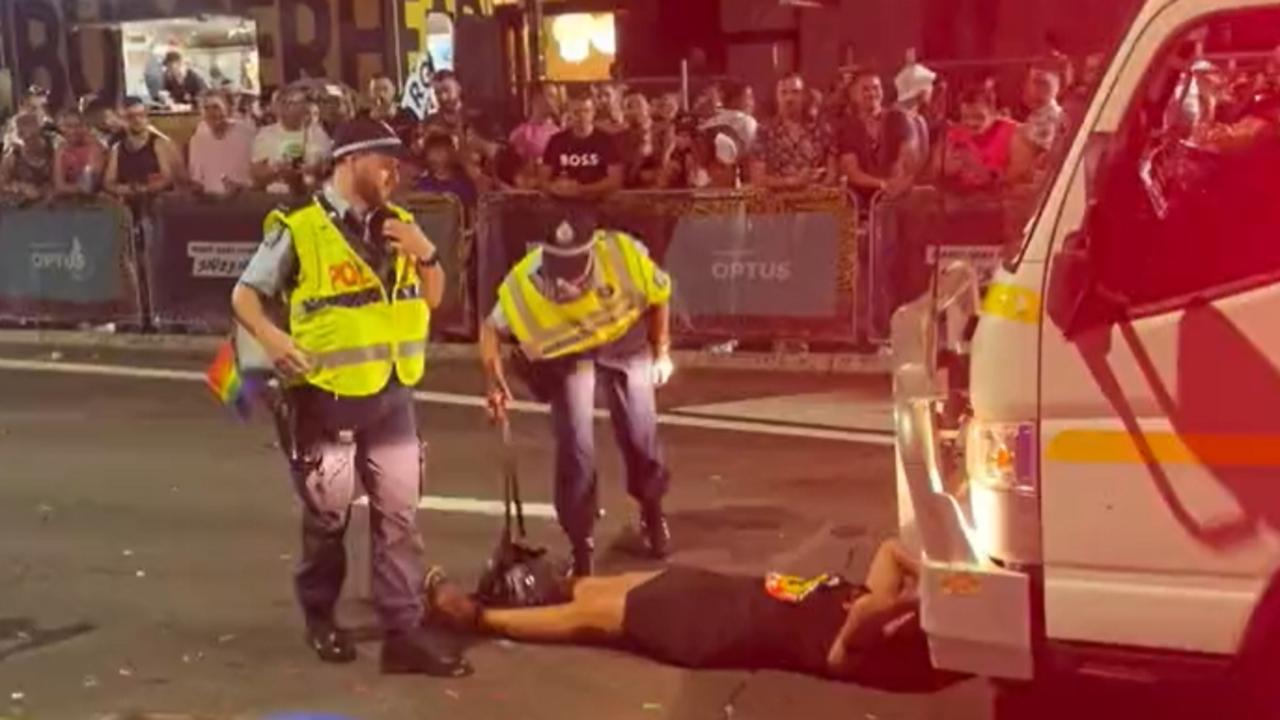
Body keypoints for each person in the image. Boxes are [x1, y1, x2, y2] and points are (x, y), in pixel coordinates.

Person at [230, 118, 468, 678]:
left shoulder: (402, 224)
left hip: (392, 390)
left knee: (399, 519)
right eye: (383, 161)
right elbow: (245, 294)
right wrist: (274, 339)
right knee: (328, 521)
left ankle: (403, 632)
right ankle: (320, 617)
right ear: (348, 161)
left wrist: (426, 252)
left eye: (398, 164)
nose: (395, 173)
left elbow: (434, 298)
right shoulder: (300, 227)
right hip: (326, 397)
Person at [424, 538, 942, 689]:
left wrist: (909, 606)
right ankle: (524, 590)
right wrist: (939, 580)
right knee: (609, 587)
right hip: (726, 594)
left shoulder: (866, 649)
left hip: (715, 629)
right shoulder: (877, 605)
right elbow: (892, 550)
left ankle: (478, 618)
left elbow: (856, 632)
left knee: (594, 616)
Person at [479, 202, 675, 577]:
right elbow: (490, 329)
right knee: (575, 448)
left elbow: (659, 293)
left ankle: (653, 516)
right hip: (569, 356)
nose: (566, 281)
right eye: (558, 269)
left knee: (640, 433)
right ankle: (581, 545)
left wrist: (661, 351)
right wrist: (493, 379)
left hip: (623, 340)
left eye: (574, 269)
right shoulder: (526, 280)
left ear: (593, 248)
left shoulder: (622, 254)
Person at [839, 69, 920, 201]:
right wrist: (882, 185)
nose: (872, 94)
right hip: (863, 197)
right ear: (853, 95)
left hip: (900, 192)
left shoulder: (897, 118)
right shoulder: (848, 127)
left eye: (876, 88)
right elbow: (851, 172)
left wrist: (898, 184)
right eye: (865, 89)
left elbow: (909, 158)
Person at [749, 74, 838, 190]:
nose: (789, 98)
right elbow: (758, 179)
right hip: (777, 203)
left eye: (795, 92)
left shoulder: (821, 130)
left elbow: (833, 172)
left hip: (815, 200)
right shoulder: (764, 132)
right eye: (783, 93)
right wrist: (793, 182)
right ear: (776, 97)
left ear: (804, 96)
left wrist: (820, 186)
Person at [931, 85, 1019, 192]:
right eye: (966, 117)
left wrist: (976, 167)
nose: (971, 123)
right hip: (959, 198)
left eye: (978, 117)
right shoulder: (952, 135)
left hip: (997, 201)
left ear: (994, 114)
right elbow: (935, 173)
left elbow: (1012, 184)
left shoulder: (1012, 134)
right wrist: (945, 170)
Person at [539, 91, 624, 199]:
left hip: (596, 203)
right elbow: (543, 179)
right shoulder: (556, 141)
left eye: (586, 111)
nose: (582, 116)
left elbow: (615, 180)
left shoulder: (606, 141)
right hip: (561, 203)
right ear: (569, 114)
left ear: (593, 112)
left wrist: (581, 189)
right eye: (577, 112)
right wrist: (556, 188)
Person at [251, 85, 332, 195]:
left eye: (302, 102)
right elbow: (256, 175)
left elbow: (329, 168)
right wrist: (276, 170)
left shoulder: (317, 133)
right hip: (278, 197)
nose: (300, 107)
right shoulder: (265, 135)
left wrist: (315, 169)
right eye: (290, 103)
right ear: (280, 107)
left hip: (309, 196)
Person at [103, 96, 180, 201]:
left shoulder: (159, 143)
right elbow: (108, 182)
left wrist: (145, 189)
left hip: (157, 201)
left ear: (147, 117)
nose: (137, 120)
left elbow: (167, 178)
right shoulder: (117, 148)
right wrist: (123, 189)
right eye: (131, 116)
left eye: (141, 115)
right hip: (127, 201)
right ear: (123, 120)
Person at [188, 89, 255, 196]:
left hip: (243, 198)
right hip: (209, 201)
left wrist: (240, 187)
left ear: (228, 110)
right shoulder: (197, 140)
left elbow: (256, 176)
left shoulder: (246, 135)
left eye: (216, 107)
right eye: (206, 108)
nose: (211, 113)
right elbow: (196, 179)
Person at [1008, 66, 1068, 184]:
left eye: (1042, 83)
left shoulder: (1052, 117)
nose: (1032, 89)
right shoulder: (1036, 115)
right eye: (1030, 82)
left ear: (1058, 87)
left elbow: (1036, 162)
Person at [0, 111, 55, 201]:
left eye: (34, 135)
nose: (29, 140)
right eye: (23, 135)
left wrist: (50, 187)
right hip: (23, 207)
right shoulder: (13, 155)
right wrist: (20, 187)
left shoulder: (52, 149)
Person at [414, 132, 478, 210]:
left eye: (441, 149)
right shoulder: (423, 184)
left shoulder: (464, 184)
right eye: (433, 149)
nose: (437, 154)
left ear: (451, 152)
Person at [52, 109, 106, 197]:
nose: (73, 131)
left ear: (85, 127)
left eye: (78, 126)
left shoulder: (95, 147)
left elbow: (89, 186)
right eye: (69, 126)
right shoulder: (61, 149)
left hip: (94, 200)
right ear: (62, 128)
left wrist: (67, 188)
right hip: (70, 201)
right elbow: (59, 185)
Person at [508, 88, 561, 166]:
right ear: (537, 98)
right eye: (551, 96)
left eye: (556, 97)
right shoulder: (521, 133)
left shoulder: (558, 132)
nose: (555, 101)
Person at [703, 79, 758, 151]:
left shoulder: (716, 120)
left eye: (752, 98)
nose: (751, 103)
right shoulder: (746, 121)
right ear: (735, 101)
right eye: (749, 97)